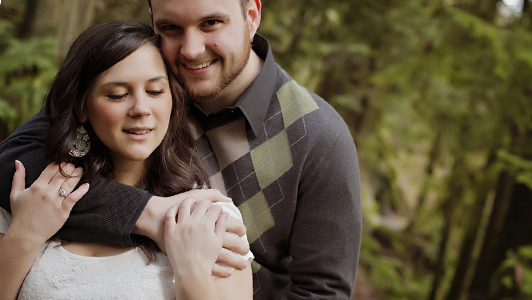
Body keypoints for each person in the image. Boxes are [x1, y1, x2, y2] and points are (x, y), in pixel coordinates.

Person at [0, 0, 363, 299]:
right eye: (171, 28)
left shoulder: (319, 137)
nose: (190, 50)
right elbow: (14, 166)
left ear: (252, 16)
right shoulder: (139, 79)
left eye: (211, 23)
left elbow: (322, 291)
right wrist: (151, 215)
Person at [0, 20, 253, 300]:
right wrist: (24, 235)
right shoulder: (31, 199)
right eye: (117, 95)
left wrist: (191, 270)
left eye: (155, 91)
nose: (141, 109)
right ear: (81, 107)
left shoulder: (208, 217)